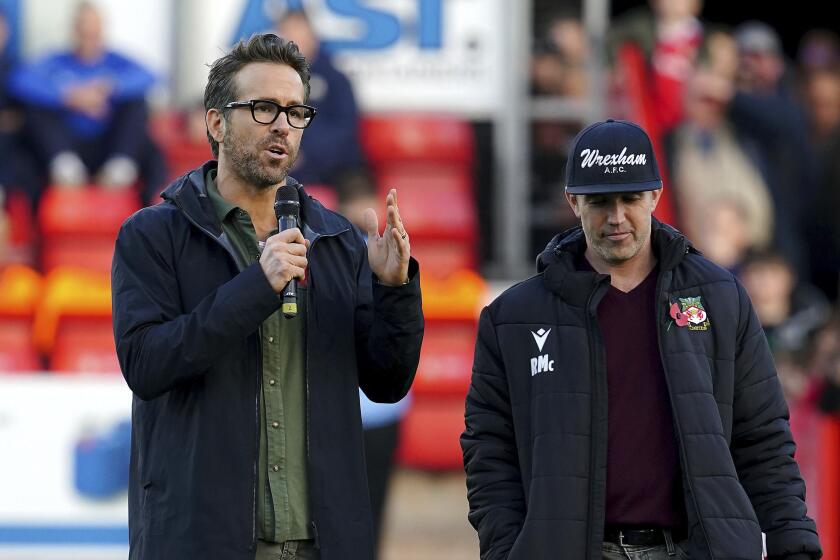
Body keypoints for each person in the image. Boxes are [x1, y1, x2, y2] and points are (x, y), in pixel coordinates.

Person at [111, 33, 424, 560]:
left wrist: (395, 292)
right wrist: (258, 285)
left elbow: (387, 383)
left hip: (320, 544)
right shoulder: (152, 235)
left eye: (295, 111)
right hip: (201, 542)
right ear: (216, 123)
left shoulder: (336, 239)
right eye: (263, 108)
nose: (282, 124)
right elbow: (147, 365)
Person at [461, 119, 821, 560]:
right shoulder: (513, 318)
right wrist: (507, 549)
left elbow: (763, 439)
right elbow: (489, 452)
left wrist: (793, 544)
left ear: (655, 196)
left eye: (630, 198)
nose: (616, 218)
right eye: (599, 202)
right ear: (573, 202)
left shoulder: (721, 298)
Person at [9, 1, 165, 203]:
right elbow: (19, 80)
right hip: (65, 147)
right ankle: (65, 168)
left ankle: (120, 167)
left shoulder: (116, 62)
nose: (89, 35)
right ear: (74, 30)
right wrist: (68, 97)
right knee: (36, 106)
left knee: (137, 102)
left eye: (94, 29)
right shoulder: (57, 61)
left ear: (102, 30)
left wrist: (108, 89)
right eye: (84, 28)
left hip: (108, 146)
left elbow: (152, 75)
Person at [276, 10, 365, 187]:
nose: (294, 41)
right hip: (284, 163)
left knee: (357, 197)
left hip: (336, 168)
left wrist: (305, 153)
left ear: (313, 38)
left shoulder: (336, 79)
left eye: (299, 32)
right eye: (288, 34)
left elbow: (345, 130)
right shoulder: (270, 79)